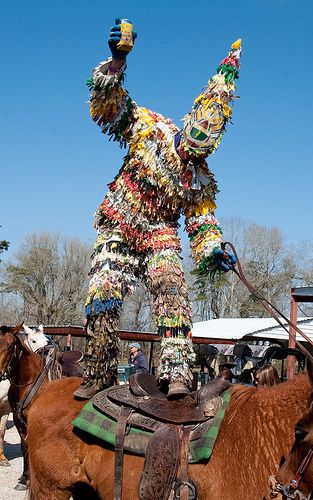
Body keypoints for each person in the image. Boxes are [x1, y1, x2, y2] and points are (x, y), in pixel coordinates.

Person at [74, 18, 241, 399]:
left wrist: (214, 250)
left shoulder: (199, 177)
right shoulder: (150, 128)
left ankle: (177, 373)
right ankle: (98, 369)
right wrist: (116, 63)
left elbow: (202, 223)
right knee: (103, 290)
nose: (195, 149)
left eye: (206, 145)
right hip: (120, 219)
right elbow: (110, 106)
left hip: (161, 233)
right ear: (190, 120)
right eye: (197, 136)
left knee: (172, 288)